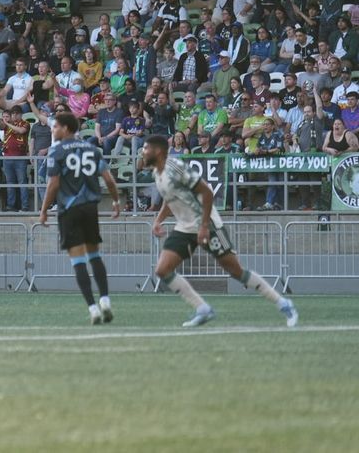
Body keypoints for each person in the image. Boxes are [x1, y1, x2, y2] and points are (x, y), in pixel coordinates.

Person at [139, 136, 298, 328]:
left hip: (208, 223)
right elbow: (170, 197)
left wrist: (205, 226)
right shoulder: (158, 173)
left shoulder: (176, 168)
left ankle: (283, 304)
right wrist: (158, 220)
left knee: (235, 271)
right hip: (184, 227)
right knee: (162, 270)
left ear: (158, 151)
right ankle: (203, 309)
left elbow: (206, 192)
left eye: (146, 148)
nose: (142, 152)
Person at [39, 112, 121, 325]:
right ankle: (105, 300)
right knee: (94, 255)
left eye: (55, 126)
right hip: (90, 209)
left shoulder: (56, 151)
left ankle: (93, 308)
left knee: (78, 260)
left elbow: (53, 184)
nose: (53, 130)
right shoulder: (93, 149)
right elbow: (109, 180)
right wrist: (115, 201)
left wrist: (44, 209)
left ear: (66, 128)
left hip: (69, 209)